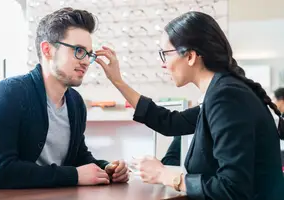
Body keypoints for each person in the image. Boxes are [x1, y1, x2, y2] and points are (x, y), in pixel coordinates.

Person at [95, 11, 284, 200]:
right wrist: (118, 81)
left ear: (191, 56)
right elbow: (170, 122)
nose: (163, 64)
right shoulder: (221, 93)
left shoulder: (226, 97)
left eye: (165, 54)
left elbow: (232, 189)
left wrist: (165, 175)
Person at [0, 7, 129, 189]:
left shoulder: (76, 102)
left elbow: (77, 157)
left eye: (89, 54)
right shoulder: (8, 93)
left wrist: (106, 168)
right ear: (47, 50)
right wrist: (74, 175)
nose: (85, 61)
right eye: (78, 50)